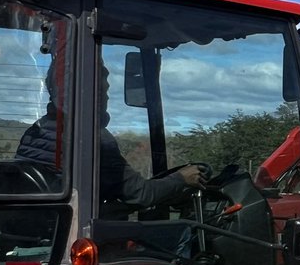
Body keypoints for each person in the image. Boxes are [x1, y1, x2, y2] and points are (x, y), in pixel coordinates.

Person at [17, 59, 207, 208]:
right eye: (102, 78)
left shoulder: (36, 130)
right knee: (182, 235)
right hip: (78, 236)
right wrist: (182, 178)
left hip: (40, 233)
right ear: (85, 89)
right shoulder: (93, 139)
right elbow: (142, 195)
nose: (107, 87)